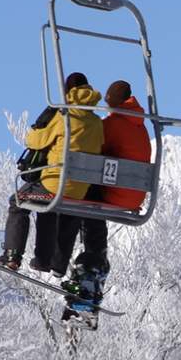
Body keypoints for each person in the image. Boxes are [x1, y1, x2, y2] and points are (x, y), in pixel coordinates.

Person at [0, 72, 104, 279]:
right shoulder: (97, 122)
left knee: (18, 202)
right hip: (79, 190)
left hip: (54, 186)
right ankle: (45, 261)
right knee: (48, 209)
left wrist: (39, 127)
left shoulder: (65, 116)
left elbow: (35, 141)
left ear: (68, 91)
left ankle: (12, 255)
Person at [64, 80, 152, 314]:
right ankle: (94, 264)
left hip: (115, 195)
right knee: (92, 203)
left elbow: (95, 151)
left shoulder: (112, 124)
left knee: (85, 194)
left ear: (112, 100)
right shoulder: (139, 126)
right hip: (134, 197)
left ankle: (89, 263)